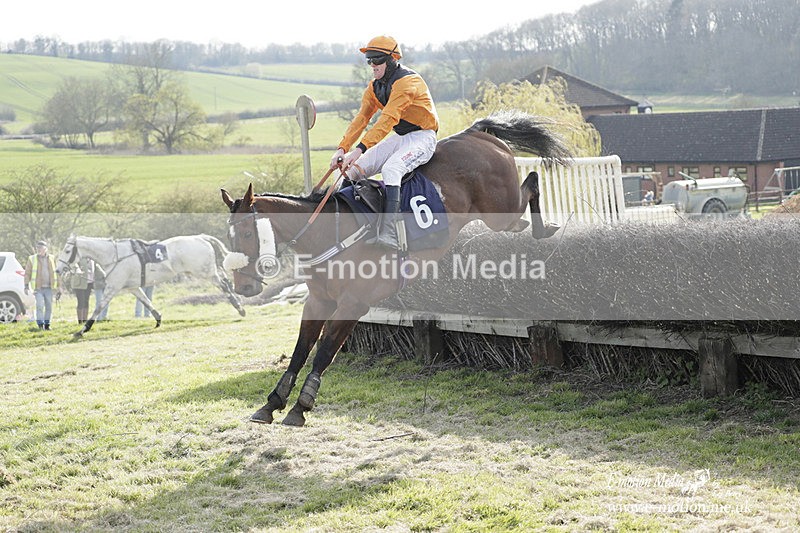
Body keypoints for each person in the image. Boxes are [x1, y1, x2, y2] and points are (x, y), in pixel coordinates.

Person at [330, 35, 439, 250]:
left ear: (391, 60)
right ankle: (344, 224)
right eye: (369, 60)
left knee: (392, 168)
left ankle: (389, 232)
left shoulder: (409, 82)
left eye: (377, 60)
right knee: (351, 171)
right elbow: (361, 119)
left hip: (423, 137)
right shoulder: (373, 87)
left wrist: (360, 149)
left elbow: (388, 119)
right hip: (400, 138)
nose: (372, 65)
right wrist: (342, 149)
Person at [24, 240, 59, 330]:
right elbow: (27, 273)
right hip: (38, 288)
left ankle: (47, 325)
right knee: (39, 305)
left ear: (45, 248)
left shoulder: (52, 258)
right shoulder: (32, 258)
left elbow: (57, 273)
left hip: (49, 287)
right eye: (37, 248)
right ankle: (40, 325)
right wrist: (26, 285)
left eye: (40, 248)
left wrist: (59, 286)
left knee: (49, 307)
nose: (38, 249)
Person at [69, 256, 94, 324]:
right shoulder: (79, 256)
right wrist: (77, 269)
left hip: (89, 282)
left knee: (86, 301)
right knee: (81, 301)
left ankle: (85, 320)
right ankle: (80, 321)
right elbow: (72, 263)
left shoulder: (91, 257)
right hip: (80, 283)